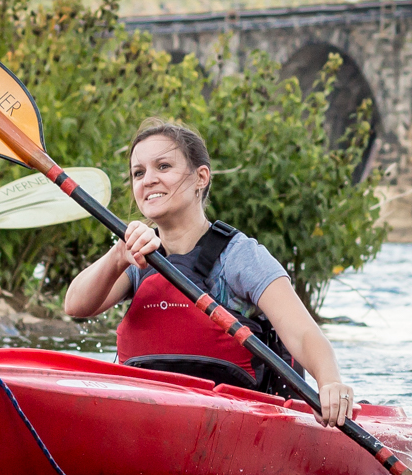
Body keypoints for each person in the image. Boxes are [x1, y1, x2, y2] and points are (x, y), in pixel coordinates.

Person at [63, 118, 358, 427]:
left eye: (163, 167)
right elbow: (76, 305)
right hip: (144, 416)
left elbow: (303, 332)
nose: (148, 179)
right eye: (139, 172)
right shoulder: (136, 257)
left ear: (200, 177)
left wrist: (329, 383)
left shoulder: (240, 256)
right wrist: (118, 255)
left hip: (235, 421)